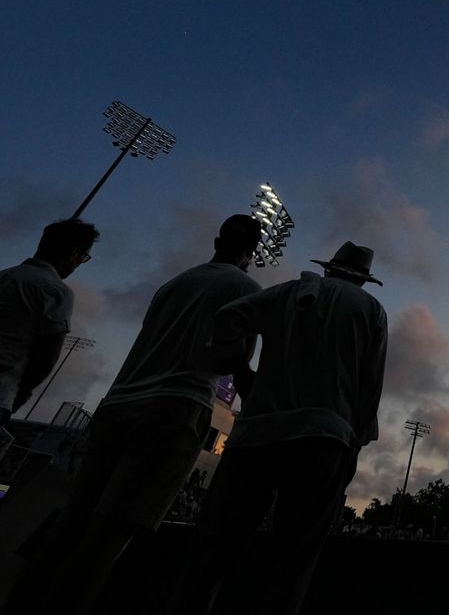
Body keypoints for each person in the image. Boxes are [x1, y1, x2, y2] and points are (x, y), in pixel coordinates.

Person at [10, 215, 263, 614]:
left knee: (70, 525)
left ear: (216, 240)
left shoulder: (173, 284)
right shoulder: (246, 289)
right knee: (110, 535)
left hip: (118, 403)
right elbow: (232, 358)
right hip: (175, 408)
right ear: (253, 253)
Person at [170, 241, 388, 615]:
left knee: (214, 549)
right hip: (324, 437)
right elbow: (371, 387)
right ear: (364, 280)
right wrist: (355, 443)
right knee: (294, 558)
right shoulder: (370, 309)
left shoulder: (288, 292)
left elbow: (227, 318)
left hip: (257, 434)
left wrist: (240, 370)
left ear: (329, 268)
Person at [0, 218, 99, 431]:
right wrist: (23, 394)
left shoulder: (5, 275)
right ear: (74, 254)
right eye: (84, 257)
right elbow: (47, 356)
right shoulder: (56, 291)